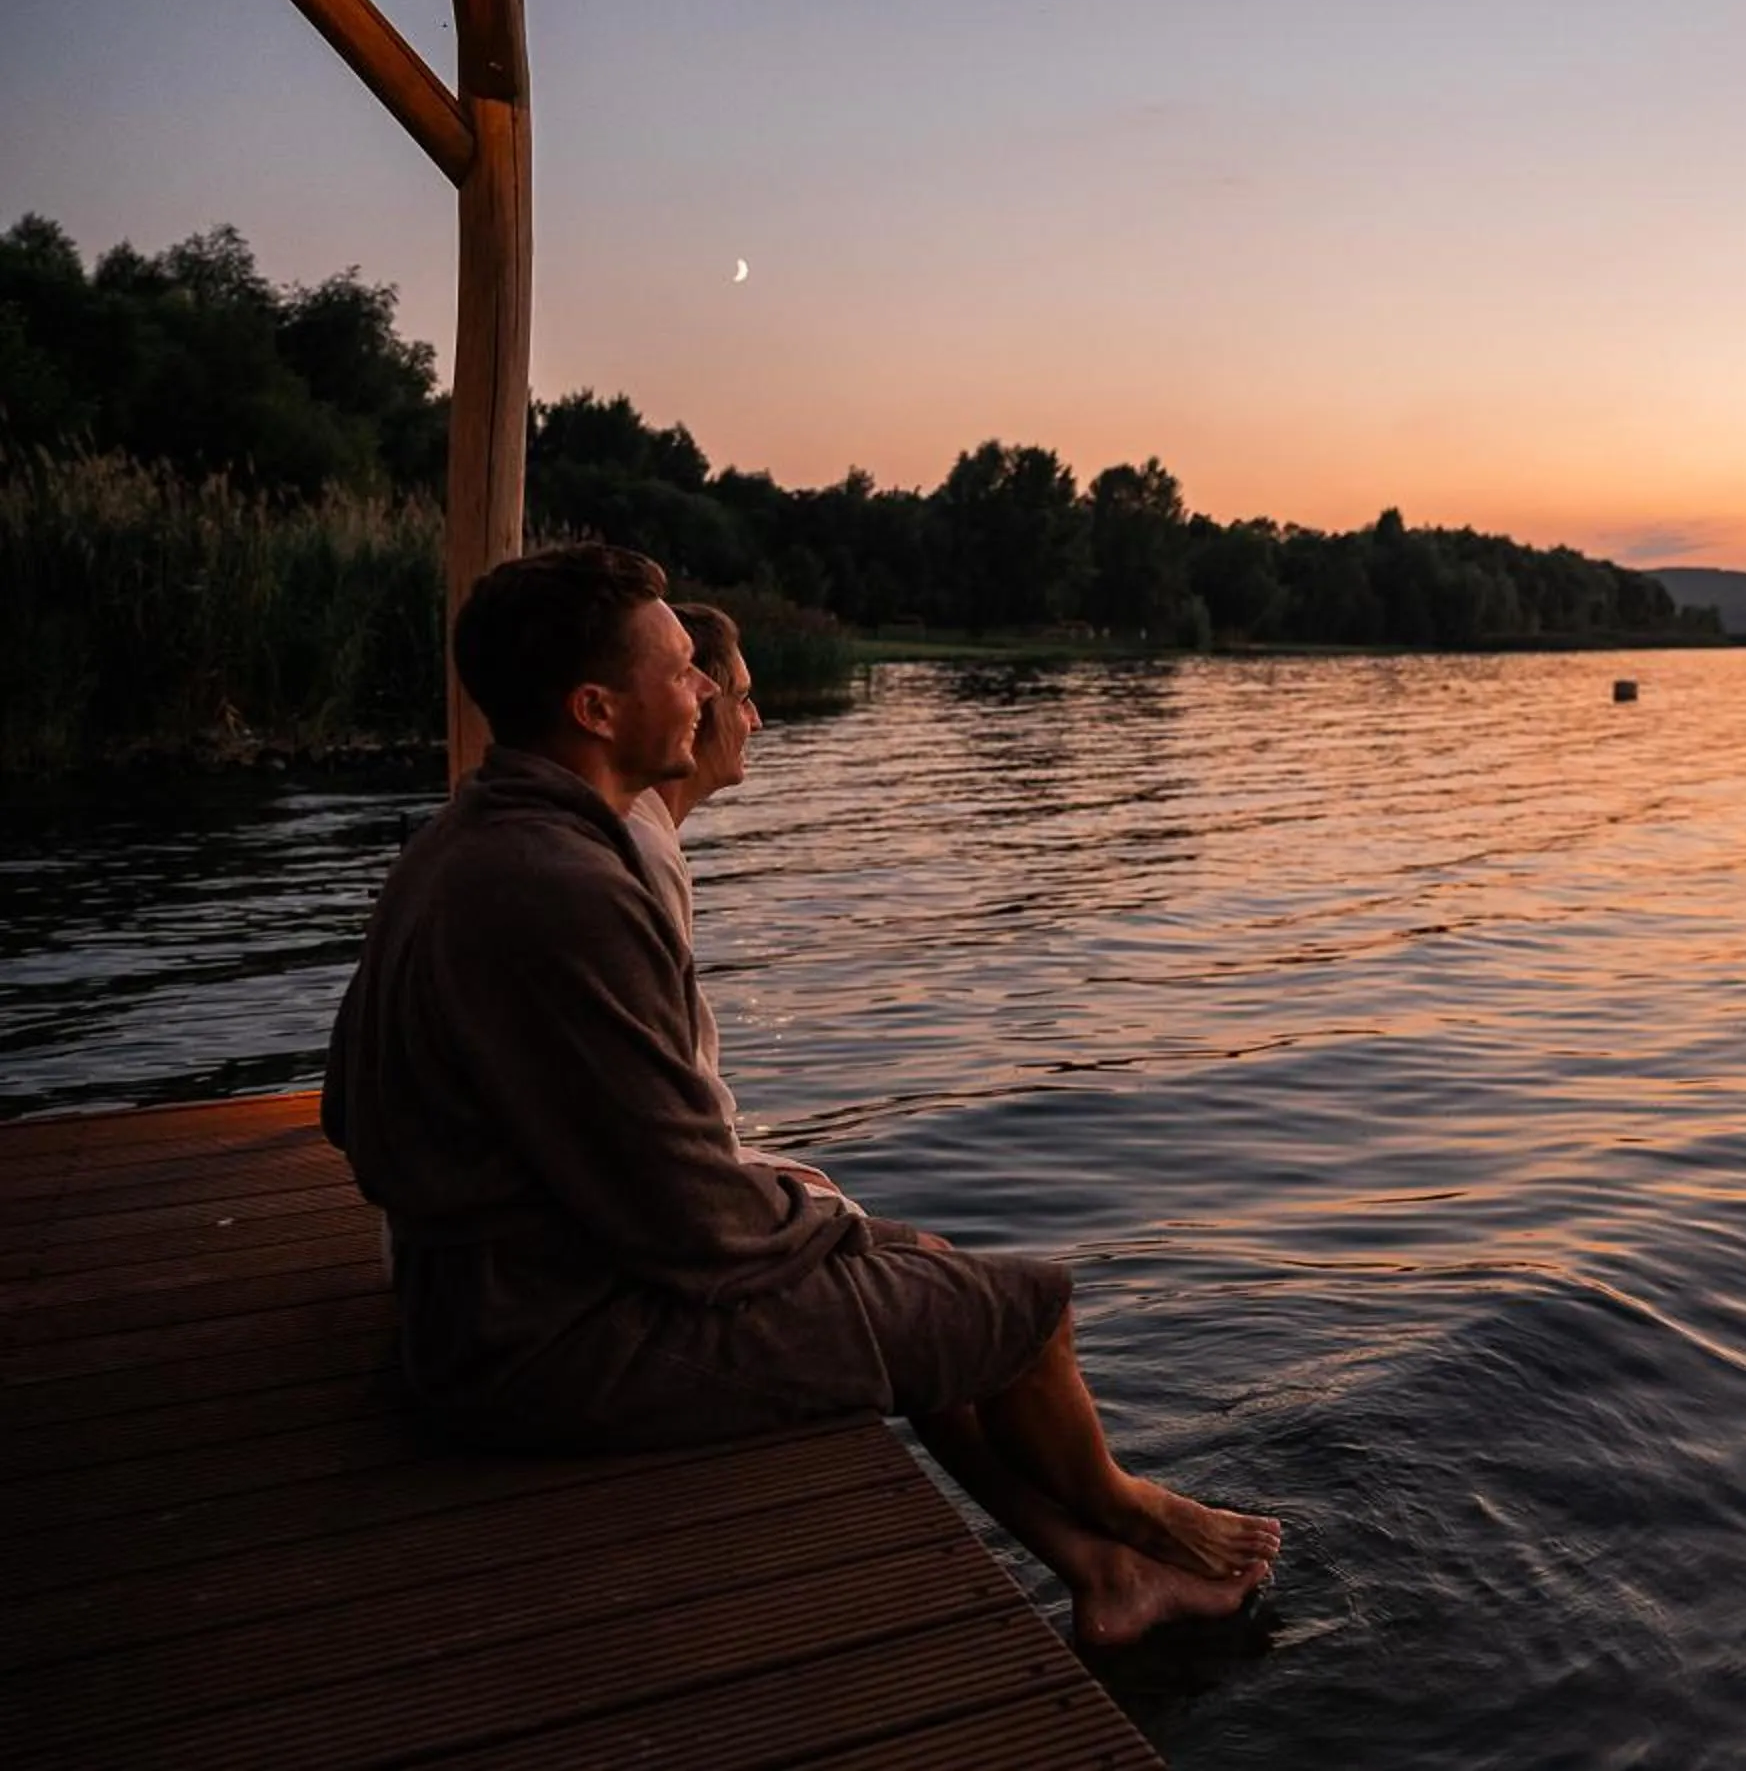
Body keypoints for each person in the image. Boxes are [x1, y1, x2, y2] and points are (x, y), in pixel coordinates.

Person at [324, 544, 1276, 1643]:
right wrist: (822, 1219)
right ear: (596, 707)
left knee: (929, 1285)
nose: (712, 692)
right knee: (1026, 1310)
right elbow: (697, 1221)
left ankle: (1102, 1571)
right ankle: (1130, 1512)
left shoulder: (462, 836)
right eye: (684, 671)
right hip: (542, 1343)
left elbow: (348, 1108)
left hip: (481, 1299)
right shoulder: (568, 887)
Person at [619, 602, 846, 1206]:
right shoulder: (635, 850)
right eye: (740, 697)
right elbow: (670, 1096)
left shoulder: (639, 836)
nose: (757, 720)